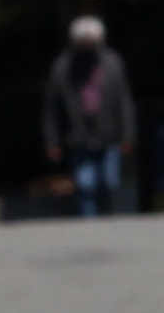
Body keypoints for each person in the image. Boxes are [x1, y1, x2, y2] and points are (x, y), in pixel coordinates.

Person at [44, 13, 136, 218]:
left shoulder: (112, 62)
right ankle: (89, 226)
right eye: (83, 42)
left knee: (109, 182)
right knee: (86, 185)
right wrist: (53, 141)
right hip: (78, 137)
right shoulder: (62, 67)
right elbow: (52, 108)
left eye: (91, 42)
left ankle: (108, 219)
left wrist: (127, 134)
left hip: (109, 135)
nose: (87, 46)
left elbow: (123, 101)